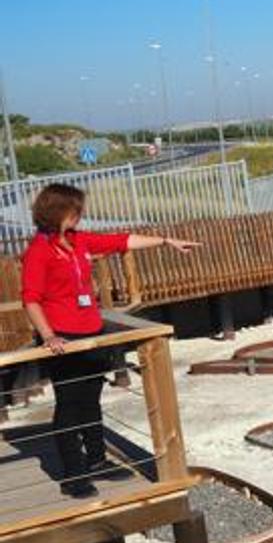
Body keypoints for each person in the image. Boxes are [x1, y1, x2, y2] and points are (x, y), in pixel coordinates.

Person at [20, 183, 200, 498]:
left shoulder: (78, 241)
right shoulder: (39, 251)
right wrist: (48, 335)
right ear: (57, 211)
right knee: (69, 403)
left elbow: (121, 241)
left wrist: (164, 241)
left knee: (91, 398)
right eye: (74, 209)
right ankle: (74, 475)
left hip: (92, 331)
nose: (80, 214)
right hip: (63, 338)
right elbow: (31, 299)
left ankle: (97, 460)